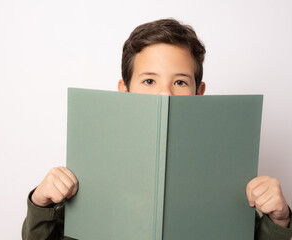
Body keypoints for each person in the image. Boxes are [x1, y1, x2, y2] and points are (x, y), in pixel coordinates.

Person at [22, 18, 292, 240]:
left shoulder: (226, 169)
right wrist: (41, 204)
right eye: (149, 80)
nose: (165, 95)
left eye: (180, 82)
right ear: (124, 91)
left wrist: (278, 221)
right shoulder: (92, 160)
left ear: (199, 93)